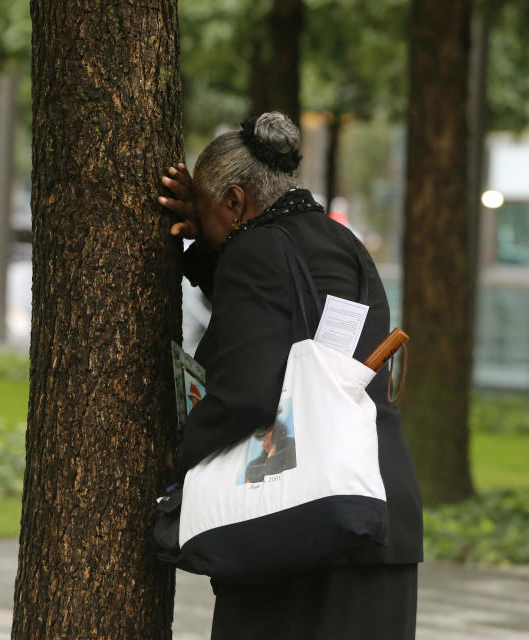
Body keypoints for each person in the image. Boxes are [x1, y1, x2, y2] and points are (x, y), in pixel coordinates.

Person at [158, 112, 423, 640]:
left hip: (297, 527)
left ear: (235, 203)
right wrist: (211, 247)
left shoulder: (256, 252)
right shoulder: (340, 243)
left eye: (211, 214)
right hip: (372, 508)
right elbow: (292, 323)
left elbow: (248, 394)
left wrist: (180, 452)